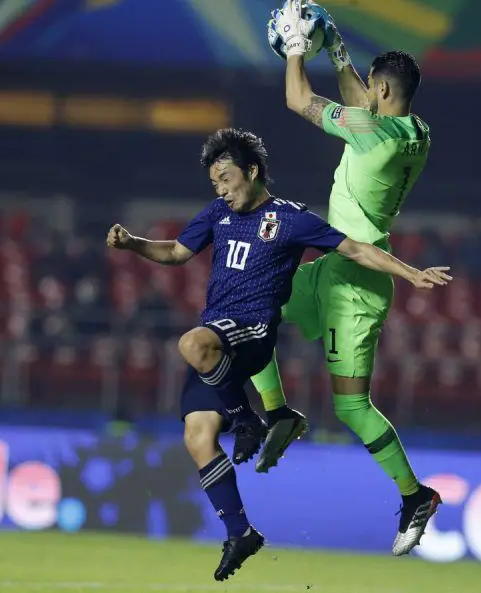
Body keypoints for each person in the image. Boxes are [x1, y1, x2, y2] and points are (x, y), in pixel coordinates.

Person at [106, 127, 450, 580]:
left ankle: (250, 417)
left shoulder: (289, 219)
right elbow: (174, 252)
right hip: (220, 343)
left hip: (249, 332)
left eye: (227, 178)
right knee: (198, 437)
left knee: (191, 343)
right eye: (215, 183)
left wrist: (409, 273)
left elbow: (357, 250)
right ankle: (240, 532)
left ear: (251, 171)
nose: (222, 190)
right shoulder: (216, 215)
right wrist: (133, 243)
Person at [257, 0, 440, 556]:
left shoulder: (370, 134)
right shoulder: (415, 131)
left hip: (359, 283)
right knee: (251, 307)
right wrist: (336, 48)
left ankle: (416, 495)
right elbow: (364, 101)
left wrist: (296, 47)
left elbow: (298, 98)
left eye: (372, 87)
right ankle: (278, 416)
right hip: (336, 265)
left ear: (382, 90)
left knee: (351, 408)